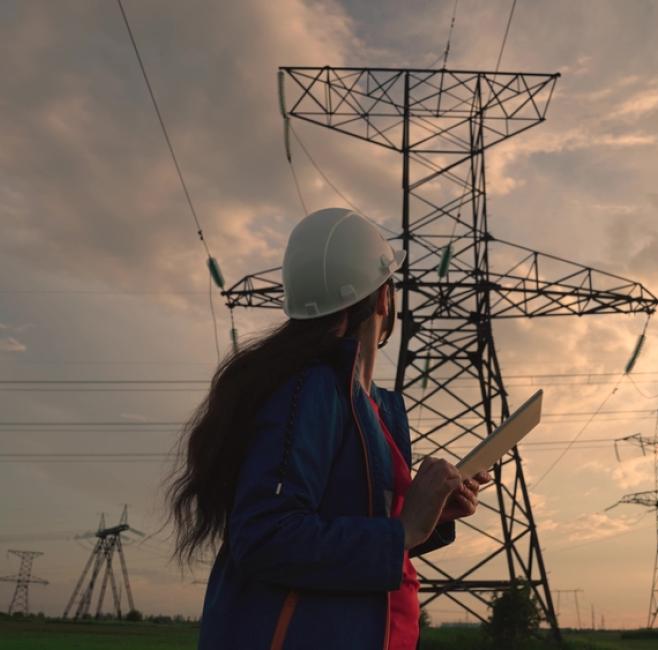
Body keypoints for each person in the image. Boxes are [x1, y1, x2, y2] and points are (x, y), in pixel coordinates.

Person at [168, 207, 490, 649]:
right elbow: (267, 537)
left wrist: (429, 517)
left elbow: (350, 543)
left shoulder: (368, 406)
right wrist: (404, 529)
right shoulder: (309, 390)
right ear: (383, 298)